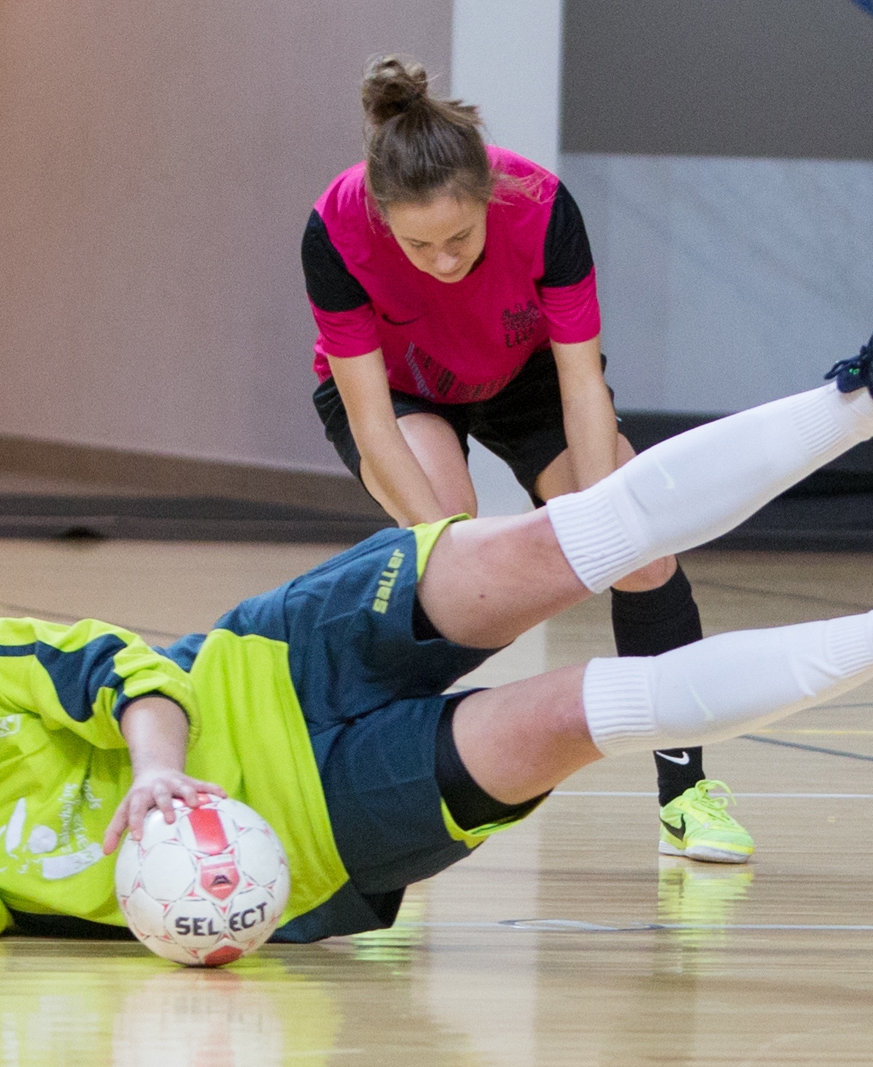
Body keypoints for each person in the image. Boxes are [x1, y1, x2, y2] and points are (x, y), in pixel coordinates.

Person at [0, 282, 873, 961]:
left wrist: (159, 776)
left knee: (563, 542)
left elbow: (120, 668)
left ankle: (863, 396)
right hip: (328, 825)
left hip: (277, 652)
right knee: (579, 713)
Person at [303, 55, 750, 862]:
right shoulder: (335, 228)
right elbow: (372, 424)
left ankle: (687, 797)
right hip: (403, 395)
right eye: (419, 245)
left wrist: (605, 524)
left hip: (529, 379)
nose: (443, 261)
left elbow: (583, 384)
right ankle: (368, 806)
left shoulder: (542, 207)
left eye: (460, 237)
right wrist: (458, 553)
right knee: (447, 558)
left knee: (644, 549)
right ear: (382, 219)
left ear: (489, 197)